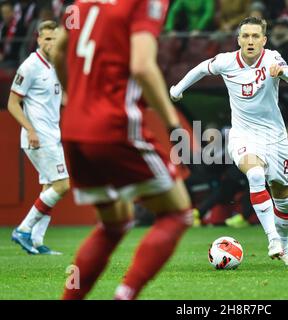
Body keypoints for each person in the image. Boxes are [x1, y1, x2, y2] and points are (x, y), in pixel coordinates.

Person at [52, 0, 192, 300]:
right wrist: (172, 123)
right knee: (177, 214)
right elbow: (142, 66)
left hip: (74, 127)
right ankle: (124, 295)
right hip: (114, 125)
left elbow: (58, 49)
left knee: (114, 223)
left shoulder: (83, 2)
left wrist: (76, 97)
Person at [170, 16, 288, 266]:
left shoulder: (272, 58)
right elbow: (200, 68)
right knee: (254, 175)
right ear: (238, 39)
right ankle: (272, 238)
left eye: (255, 36)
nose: (250, 41)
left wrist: (282, 71)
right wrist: (178, 88)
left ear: (263, 40)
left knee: (284, 202)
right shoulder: (226, 61)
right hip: (243, 134)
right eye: (246, 36)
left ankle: (285, 247)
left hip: (275, 137)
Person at [8, 20, 68, 255]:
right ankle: (23, 230)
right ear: (38, 39)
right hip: (39, 137)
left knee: (49, 188)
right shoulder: (30, 66)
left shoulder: (55, 65)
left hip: (52, 134)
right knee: (62, 185)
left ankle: (36, 241)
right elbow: (13, 104)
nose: (51, 43)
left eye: (55, 38)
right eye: (47, 38)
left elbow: (61, 98)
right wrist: (30, 130)